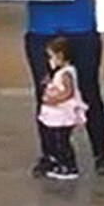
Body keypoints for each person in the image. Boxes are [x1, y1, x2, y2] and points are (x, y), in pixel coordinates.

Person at [21, 0, 104, 178]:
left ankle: (100, 152)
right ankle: (53, 153)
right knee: (46, 92)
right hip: (42, 27)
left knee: (89, 90)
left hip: (79, 26)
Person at [37, 37, 89, 180]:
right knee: (57, 138)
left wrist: (54, 99)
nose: (49, 61)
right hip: (57, 114)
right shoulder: (59, 73)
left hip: (63, 114)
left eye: (51, 57)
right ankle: (60, 162)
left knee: (62, 140)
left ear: (60, 56)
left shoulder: (66, 74)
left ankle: (68, 165)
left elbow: (68, 92)